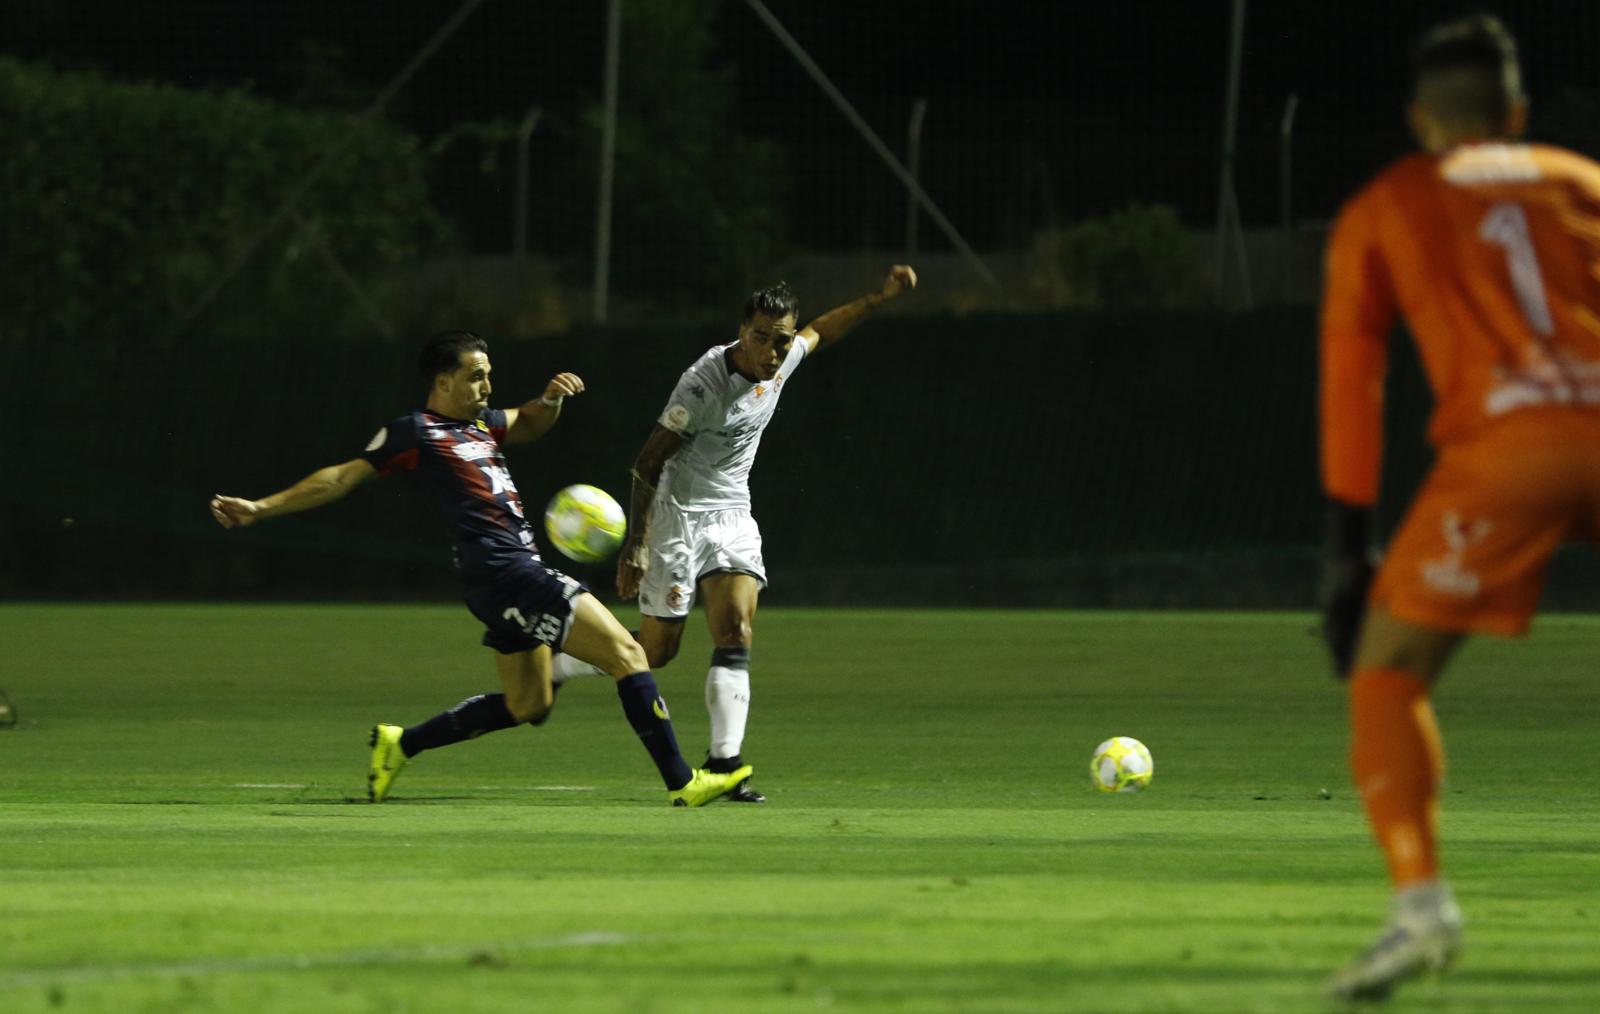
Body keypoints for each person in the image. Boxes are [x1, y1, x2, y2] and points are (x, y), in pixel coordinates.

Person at [1319, 13, 1600, 1001]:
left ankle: (1421, 913)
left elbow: (1353, 375)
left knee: (1386, 671)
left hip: (1507, 452)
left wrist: (1347, 549)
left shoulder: (1390, 202)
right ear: (1517, 112)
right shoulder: (1583, 182)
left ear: (1419, 121)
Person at [210, 330, 751, 807]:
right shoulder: (415, 432)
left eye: (488, 376)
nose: (487, 387)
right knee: (629, 654)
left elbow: (531, 421)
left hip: (502, 578)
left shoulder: (481, 425)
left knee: (529, 702)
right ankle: (684, 782)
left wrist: (551, 399)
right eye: (476, 377)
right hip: (506, 572)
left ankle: (403, 744)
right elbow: (340, 477)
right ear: (443, 382)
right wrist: (262, 507)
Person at [559, 267, 915, 803]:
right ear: (742, 331)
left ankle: (726, 764)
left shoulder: (785, 355)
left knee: (736, 631)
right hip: (676, 516)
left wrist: (877, 298)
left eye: (781, 340)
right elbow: (646, 462)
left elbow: (823, 330)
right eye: (761, 338)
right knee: (657, 651)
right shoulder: (703, 383)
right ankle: (558, 662)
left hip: (731, 513)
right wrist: (637, 543)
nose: (772, 351)